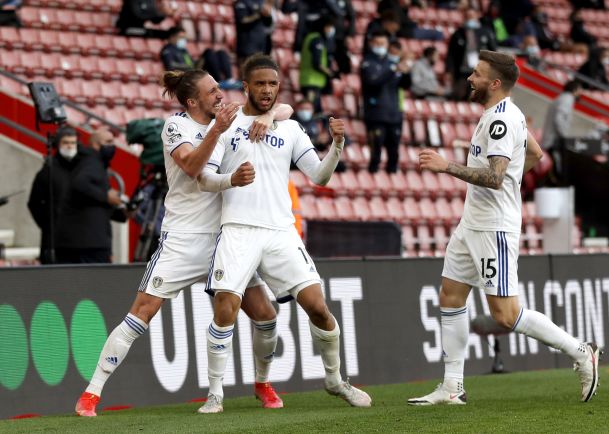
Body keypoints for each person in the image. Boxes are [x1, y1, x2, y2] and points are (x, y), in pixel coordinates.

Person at [74, 69, 294, 417]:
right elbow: (192, 166)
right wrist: (218, 130)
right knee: (141, 312)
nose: (220, 94)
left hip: (226, 238)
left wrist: (266, 117)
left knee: (266, 315)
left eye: (219, 88)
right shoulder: (176, 126)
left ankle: (262, 383)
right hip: (183, 238)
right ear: (192, 101)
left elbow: (285, 110)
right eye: (212, 91)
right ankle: (92, 392)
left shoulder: (228, 117)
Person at [408, 50, 601, 406]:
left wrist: (446, 166)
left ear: (495, 83)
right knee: (450, 295)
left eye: (477, 74)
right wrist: (512, 177)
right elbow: (535, 154)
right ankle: (452, 386)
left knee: (506, 314)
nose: (470, 78)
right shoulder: (506, 114)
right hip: (472, 224)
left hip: (493, 227)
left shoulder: (501, 120)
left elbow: (496, 178)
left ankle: (580, 350)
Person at [196, 54, 372, 413]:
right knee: (226, 308)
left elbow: (319, 176)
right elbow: (204, 179)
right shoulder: (226, 124)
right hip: (238, 229)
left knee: (318, 308)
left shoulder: (289, 129)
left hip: (281, 232)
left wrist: (337, 146)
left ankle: (335, 380)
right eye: (260, 83)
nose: (267, 90)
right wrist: (232, 179)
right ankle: (215, 393)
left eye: (273, 84)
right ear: (246, 86)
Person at [53, 127, 127, 264]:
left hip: (82, 241)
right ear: (95, 144)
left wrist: (122, 213)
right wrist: (106, 197)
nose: (112, 146)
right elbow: (80, 183)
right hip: (87, 245)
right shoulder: (92, 162)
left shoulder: (88, 162)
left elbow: (91, 202)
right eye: (108, 142)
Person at [27, 126, 80, 264]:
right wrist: (48, 223)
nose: (70, 146)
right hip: (54, 238)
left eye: (73, 143)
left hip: (79, 236)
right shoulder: (48, 170)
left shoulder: (82, 169)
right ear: (58, 144)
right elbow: (34, 203)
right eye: (65, 142)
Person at [361, 30, 411, 173]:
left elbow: (405, 85)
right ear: (371, 44)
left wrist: (407, 72)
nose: (380, 46)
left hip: (394, 115)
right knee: (375, 153)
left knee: (394, 154)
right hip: (376, 114)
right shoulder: (367, 63)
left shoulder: (392, 63)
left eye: (382, 43)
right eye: (377, 43)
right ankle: (372, 178)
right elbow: (373, 82)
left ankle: (392, 177)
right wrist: (393, 69)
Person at [160, 26, 242, 90]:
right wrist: (189, 66)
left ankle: (229, 79)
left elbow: (191, 62)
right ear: (172, 37)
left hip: (194, 69)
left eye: (184, 38)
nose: (183, 40)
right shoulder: (168, 50)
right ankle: (219, 81)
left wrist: (196, 63)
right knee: (209, 52)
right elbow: (170, 65)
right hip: (188, 73)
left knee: (221, 52)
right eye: (181, 37)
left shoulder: (183, 50)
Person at [446, 7, 497, 100]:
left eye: (471, 16)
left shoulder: (486, 32)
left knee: (476, 97)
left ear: (477, 16)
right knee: (459, 95)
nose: (470, 18)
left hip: (479, 72)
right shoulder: (458, 33)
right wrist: (449, 70)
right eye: (467, 16)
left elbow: (493, 52)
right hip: (462, 72)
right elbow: (451, 54)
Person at [541, 79, 582, 182]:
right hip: (553, 142)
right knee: (556, 173)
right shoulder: (567, 99)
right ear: (575, 90)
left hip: (551, 140)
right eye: (579, 90)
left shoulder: (561, 98)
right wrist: (564, 137)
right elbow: (559, 119)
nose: (580, 94)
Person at [299, 16, 339, 114]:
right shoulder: (317, 40)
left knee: (316, 111)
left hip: (311, 80)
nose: (330, 30)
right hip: (311, 82)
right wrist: (330, 73)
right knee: (312, 110)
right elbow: (317, 63)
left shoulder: (311, 37)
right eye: (329, 27)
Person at [234, 0, 274, 66]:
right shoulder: (242, 2)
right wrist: (258, 14)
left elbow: (268, 24)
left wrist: (267, 15)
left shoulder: (261, 2)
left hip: (261, 47)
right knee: (246, 69)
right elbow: (242, 21)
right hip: (247, 46)